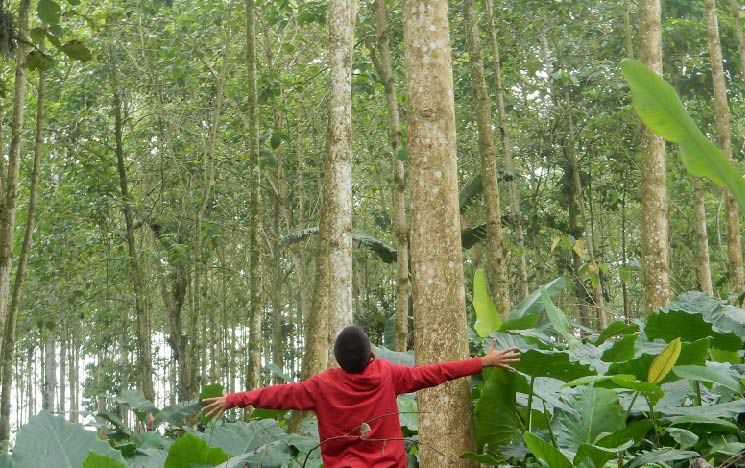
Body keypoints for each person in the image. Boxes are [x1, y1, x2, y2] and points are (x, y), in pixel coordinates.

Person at [202, 325, 520, 467]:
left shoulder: (322, 386)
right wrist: (483, 361)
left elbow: (279, 395)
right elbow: (435, 372)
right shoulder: (387, 374)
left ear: (339, 360)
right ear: (370, 355)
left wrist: (234, 398)